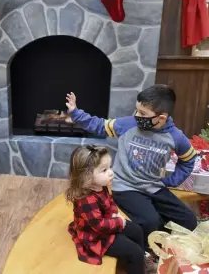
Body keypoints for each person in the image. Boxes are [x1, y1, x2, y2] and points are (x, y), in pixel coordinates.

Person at [65, 85, 198, 256]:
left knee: (189, 220)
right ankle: (149, 254)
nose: (137, 116)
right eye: (137, 110)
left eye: (143, 114)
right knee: (151, 222)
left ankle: (163, 242)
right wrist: (76, 113)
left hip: (154, 187)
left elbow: (188, 160)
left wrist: (170, 181)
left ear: (162, 118)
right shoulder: (128, 124)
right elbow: (98, 125)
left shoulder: (176, 137)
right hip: (125, 187)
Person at [67, 145, 147, 274]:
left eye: (110, 167)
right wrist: (119, 222)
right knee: (135, 253)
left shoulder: (100, 185)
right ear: (86, 176)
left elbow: (109, 201)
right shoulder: (86, 199)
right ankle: (137, 262)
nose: (111, 172)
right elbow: (99, 225)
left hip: (108, 223)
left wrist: (114, 214)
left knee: (137, 230)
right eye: (104, 170)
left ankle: (140, 263)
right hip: (96, 235)